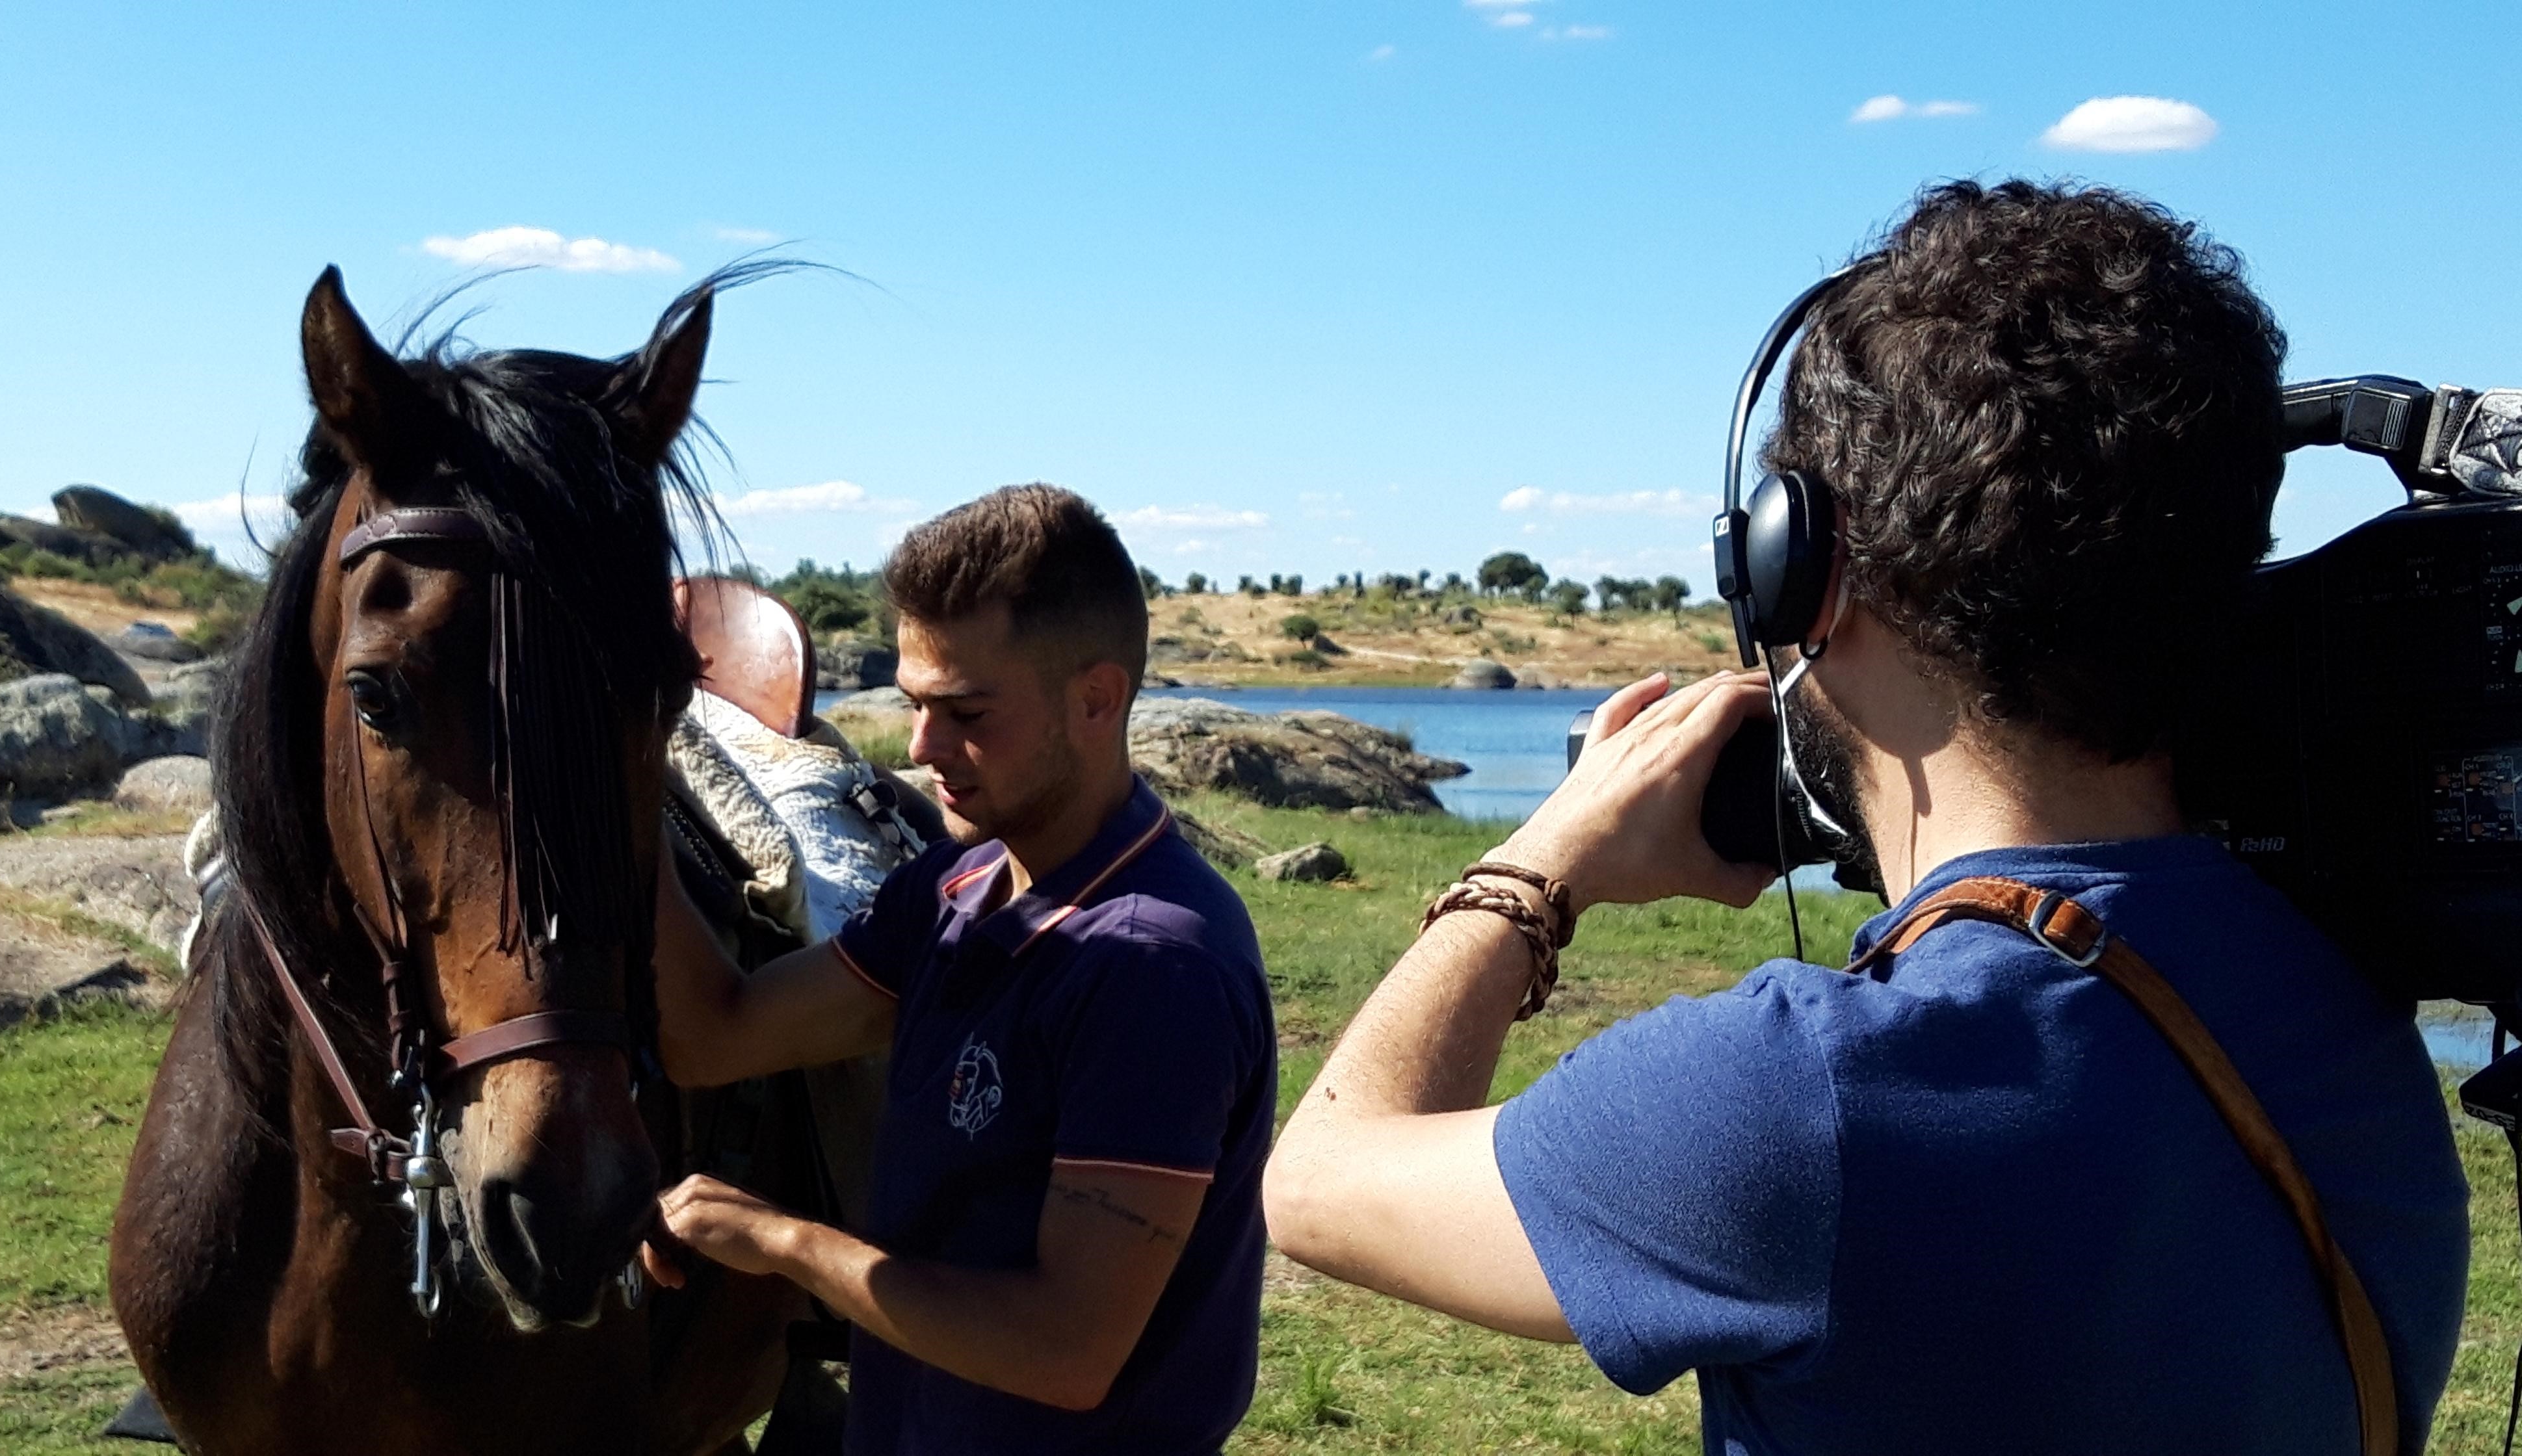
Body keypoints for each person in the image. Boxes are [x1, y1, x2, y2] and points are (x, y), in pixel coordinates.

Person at [1262, 180, 2471, 1453]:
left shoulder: (1803, 1093)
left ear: (1808, 569)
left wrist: (1545, 857)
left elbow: (1323, 1180)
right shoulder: (2353, 1011)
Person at [646, 484, 1276, 1454]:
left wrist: (783, 1243)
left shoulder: (1154, 969)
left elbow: (1066, 1351)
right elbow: (717, 1035)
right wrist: (616, 785)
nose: (921, 747)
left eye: (965, 711)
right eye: (913, 704)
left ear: (1098, 698)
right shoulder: (955, 885)